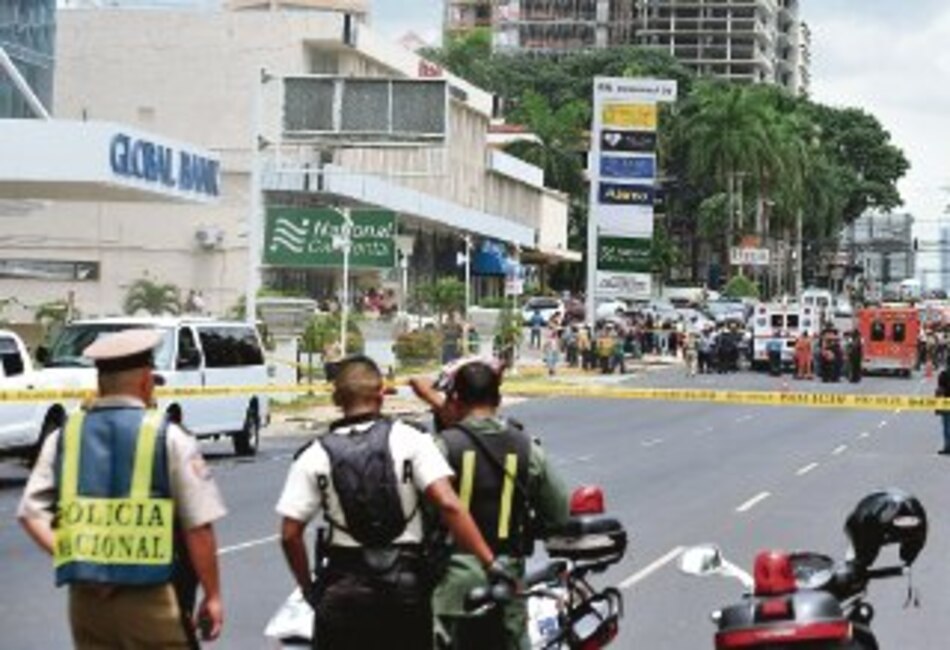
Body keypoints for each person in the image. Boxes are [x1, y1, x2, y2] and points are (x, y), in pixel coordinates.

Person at [18, 329, 226, 649]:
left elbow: (31, 514)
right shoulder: (169, 437)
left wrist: (76, 556)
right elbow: (198, 528)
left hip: (87, 601)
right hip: (152, 597)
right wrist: (213, 596)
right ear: (146, 380)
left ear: (99, 384)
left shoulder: (64, 436)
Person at [276, 356, 498, 650]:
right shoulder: (412, 440)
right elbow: (449, 505)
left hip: (343, 592)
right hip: (404, 593)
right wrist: (490, 564)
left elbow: (290, 534)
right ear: (381, 394)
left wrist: (308, 588)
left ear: (337, 399)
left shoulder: (313, 455)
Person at [425, 361, 571, 650]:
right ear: (499, 400)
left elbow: (419, 513)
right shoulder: (526, 448)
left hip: (450, 589)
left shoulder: (438, 447)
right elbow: (558, 512)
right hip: (506, 585)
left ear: (455, 400)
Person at [935, 364, 950, 455]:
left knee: (946, 426)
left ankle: (947, 446)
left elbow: (940, 389)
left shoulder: (943, 374)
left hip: (945, 404)